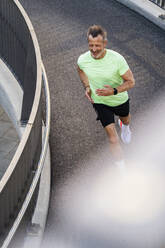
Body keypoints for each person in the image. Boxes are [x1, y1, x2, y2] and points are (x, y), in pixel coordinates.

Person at [77, 25, 135, 169]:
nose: (94, 49)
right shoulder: (83, 60)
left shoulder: (117, 59)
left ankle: (126, 127)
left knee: (126, 119)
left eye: (97, 45)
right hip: (100, 102)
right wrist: (87, 87)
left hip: (119, 99)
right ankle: (123, 171)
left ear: (105, 44)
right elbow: (80, 70)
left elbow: (131, 82)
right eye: (91, 45)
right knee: (113, 139)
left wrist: (114, 91)